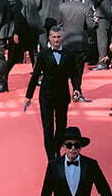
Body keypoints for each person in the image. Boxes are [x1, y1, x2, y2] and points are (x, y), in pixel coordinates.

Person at [23, 26, 74, 160]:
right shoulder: (43, 54)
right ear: (49, 38)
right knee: (48, 126)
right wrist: (28, 96)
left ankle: (56, 148)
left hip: (63, 95)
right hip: (46, 95)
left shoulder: (69, 54)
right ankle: (51, 157)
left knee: (62, 125)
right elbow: (35, 76)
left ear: (62, 38)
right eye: (54, 37)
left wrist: (77, 89)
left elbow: (74, 74)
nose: (56, 40)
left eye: (58, 37)